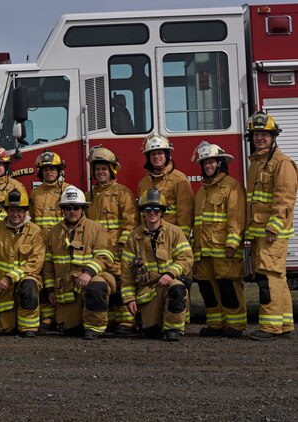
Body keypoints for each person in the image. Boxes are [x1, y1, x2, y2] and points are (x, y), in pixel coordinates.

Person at [244, 112, 298, 341]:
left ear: (273, 136)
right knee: (277, 277)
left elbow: (285, 199)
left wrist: (273, 228)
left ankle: (270, 327)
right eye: (257, 134)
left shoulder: (281, 163)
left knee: (268, 278)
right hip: (260, 232)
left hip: (272, 234)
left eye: (264, 134)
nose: (260, 138)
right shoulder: (256, 162)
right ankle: (284, 324)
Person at [120, 189, 193, 342]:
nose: (152, 213)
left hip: (167, 284)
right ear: (142, 212)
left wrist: (171, 273)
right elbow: (127, 273)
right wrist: (129, 299)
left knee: (177, 287)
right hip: (146, 293)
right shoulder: (134, 238)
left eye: (156, 209)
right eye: (147, 209)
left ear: (162, 212)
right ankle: (153, 323)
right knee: (151, 332)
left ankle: (173, 329)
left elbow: (186, 259)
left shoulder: (175, 232)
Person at [190, 141, 247, 338]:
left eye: (211, 162)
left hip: (224, 249)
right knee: (207, 288)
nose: (208, 166)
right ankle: (215, 324)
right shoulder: (202, 190)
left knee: (228, 287)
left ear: (220, 163)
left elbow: (237, 217)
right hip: (204, 251)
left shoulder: (232, 187)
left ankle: (236, 325)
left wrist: (232, 242)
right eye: (205, 163)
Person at [43, 186, 115, 340]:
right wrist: (49, 289)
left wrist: (88, 272)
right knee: (71, 329)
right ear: (63, 210)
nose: (72, 211)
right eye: (68, 208)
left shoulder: (96, 228)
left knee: (97, 286)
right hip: (67, 290)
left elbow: (106, 255)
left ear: (83, 209)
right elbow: (48, 263)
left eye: (76, 207)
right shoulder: (55, 232)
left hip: (89, 281)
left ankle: (95, 328)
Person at [0, 188, 44, 337]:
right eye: (12, 210)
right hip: (1, 290)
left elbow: (35, 262)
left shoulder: (35, 231)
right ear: (6, 210)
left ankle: (28, 328)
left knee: (29, 284)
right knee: (7, 328)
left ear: (25, 211)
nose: (16, 214)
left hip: (26, 278)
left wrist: (10, 277)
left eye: (20, 210)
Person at [85, 146, 137, 334]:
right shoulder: (90, 196)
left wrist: (122, 245)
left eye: (104, 169)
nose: (100, 172)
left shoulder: (123, 193)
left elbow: (130, 221)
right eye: (97, 169)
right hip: (98, 251)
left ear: (112, 171)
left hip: (118, 249)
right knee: (104, 283)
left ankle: (126, 321)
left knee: (122, 281)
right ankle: (109, 320)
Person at [29, 150, 70, 332]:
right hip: (40, 245)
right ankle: (46, 317)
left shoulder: (68, 191)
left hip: (62, 244)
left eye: (53, 169)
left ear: (59, 170)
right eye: (45, 169)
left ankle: (61, 315)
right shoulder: (35, 194)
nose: (49, 172)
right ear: (40, 172)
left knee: (61, 278)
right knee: (44, 279)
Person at [137, 134, 194, 237]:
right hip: (147, 239)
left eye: (160, 153)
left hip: (171, 238)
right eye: (153, 154)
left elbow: (185, 213)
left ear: (166, 155)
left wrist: (181, 238)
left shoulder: (179, 179)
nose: (156, 156)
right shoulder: (143, 183)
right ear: (148, 157)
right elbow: (142, 215)